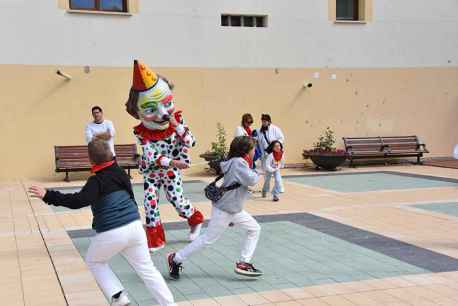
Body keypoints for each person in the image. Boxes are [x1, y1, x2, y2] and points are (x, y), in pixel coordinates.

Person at [28, 139, 176, 306]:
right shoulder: (120, 172)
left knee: (95, 261)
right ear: (111, 154)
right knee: (147, 269)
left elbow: (78, 201)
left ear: (90, 160)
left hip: (111, 232)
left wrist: (48, 195)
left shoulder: (96, 181)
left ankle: (119, 298)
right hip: (135, 227)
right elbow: (130, 196)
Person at [125, 60, 204, 252]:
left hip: (170, 172)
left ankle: (195, 218)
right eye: (151, 109)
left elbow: (191, 142)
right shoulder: (141, 132)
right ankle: (155, 240)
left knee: (177, 201)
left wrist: (177, 126)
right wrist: (173, 161)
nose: (162, 113)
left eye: (167, 103)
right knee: (150, 203)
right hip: (153, 171)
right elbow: (150, 154)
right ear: (137, 112)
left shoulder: (177, 121)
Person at [167, 136, 263, 279]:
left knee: (254, 228)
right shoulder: (238, 163)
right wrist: (259, 170)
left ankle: (243, 262)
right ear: (245, 150)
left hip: (232, 208)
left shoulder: (234, 161)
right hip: (226, 209)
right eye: (253, 149)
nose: (254, 151)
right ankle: (175, 258)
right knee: (207, 239)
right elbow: (252, 180)